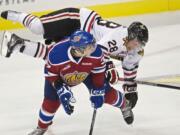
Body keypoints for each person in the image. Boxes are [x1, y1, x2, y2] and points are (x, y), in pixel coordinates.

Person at [1, 7, 148, 114]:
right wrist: (109, 68)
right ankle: (19, 16)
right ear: (129, 36)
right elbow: (99, 51)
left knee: (52, 55)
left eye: (140, 44)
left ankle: (18, 43)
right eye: (135, 41)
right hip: (76, 21)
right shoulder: (119, 37)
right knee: (37, 27)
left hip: (85, 44)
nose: (136, 46)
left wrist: (131, 90)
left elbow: (130, 69)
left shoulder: (137, 52)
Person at [2, 30, 134, 135]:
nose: (94, 47)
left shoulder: (95, 52)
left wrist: (98, 90)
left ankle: (124, 105)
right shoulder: (56, 54)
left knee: (107, 94)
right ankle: (41, 128)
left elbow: (99, 71)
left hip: (87, 72)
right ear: (80, 50)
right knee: (50, 103)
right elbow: (51, 74)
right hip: (61, 76)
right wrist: (60, 89)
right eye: (90, 46)